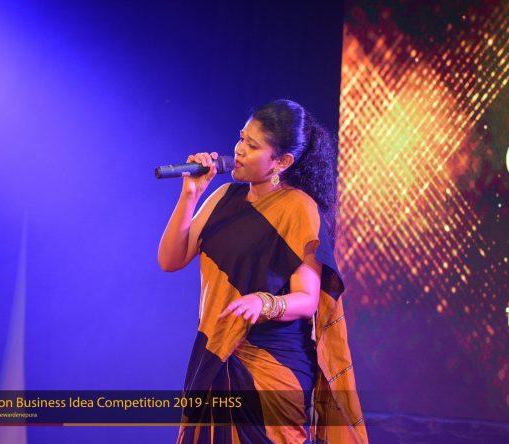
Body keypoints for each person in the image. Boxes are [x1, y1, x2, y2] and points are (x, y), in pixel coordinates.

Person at [158, 99, 368, 443]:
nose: (239, 150)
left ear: (282, 162)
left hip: (272, 369)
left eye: (252, 146)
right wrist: (190, 196)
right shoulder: (223, 197)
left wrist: (263, 302)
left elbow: (307, 299)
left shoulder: (298, 208)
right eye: (241, 138)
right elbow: (170, 260)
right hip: (215, 354)